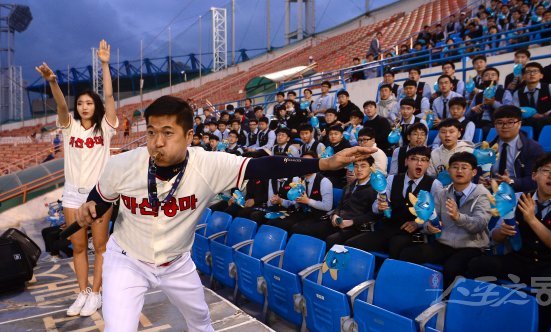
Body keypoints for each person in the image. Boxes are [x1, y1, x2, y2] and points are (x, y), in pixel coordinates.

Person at [74, 95, 377, 332]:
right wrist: (91, 209)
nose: (158, 142)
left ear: (189, 134)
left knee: (201, 322)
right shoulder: (123, 164)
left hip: (176, 262)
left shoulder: (209, 164)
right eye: (152, 132)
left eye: (168, 132)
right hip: (127, 260)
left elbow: (263, 165)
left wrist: (322, 165)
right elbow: (99, 198)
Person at [35, 40, 118, 317]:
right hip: (72, 194)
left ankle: (97, 293)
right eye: (80, 103)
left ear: (95, 107)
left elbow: (108, 98)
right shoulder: (69, 128)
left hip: (100, 195)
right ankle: (82, 293)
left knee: (101, 246)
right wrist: (53, 83)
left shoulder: (106, 127)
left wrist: (105, 64)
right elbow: (60, 106)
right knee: (78, 247)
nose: (84, 107)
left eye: (89, 103)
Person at [467, 153, 551, 331]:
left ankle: (541, 327)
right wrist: (503, 232)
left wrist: (532, 220)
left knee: (550, 287)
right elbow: (494, 236)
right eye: (546, 170)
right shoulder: (516, 197)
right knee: (479, 264)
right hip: (521, 260)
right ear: (534, 176)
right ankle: (486, 318)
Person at [398, 152, 492, 288]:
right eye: (455, 167)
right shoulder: (442, 193)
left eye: (464, 167)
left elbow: (480, 225)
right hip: (444, 243)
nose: (459, 171)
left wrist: (458, 217)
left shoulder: (483, 195)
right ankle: (409, 291)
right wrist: (429, 227)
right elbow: (429, 219)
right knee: (408, 254)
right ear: (449, 171)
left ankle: (447, 304)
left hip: (471, 246)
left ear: (474, 172)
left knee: (452, 268)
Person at [345, 147, 441, 257]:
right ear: (406, 161)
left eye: (424, 160)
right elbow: (376, 206)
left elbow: (435, 215)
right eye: (414, 159)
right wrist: (380, 207)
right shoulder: (392, 179)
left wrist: (418, 224)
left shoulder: (434, 184)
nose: (419, 163)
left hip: (412, 233)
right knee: (351, 245)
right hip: (388, 227)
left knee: (396, 245)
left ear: (428, 164)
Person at [293, 157, 378, 248]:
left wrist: (352, 222)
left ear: (371, 168)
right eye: (356, 166)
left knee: (331, 240)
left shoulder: (375, 189)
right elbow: (340, 205)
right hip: (338, 222)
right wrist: (335, 214)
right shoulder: (349, 186)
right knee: (307, 231)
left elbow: (374, 214)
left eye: (363, 166)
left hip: (356, 226)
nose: (359, 169)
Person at [265, 151, 333, 232]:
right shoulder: (299, 180)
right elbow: (295, 203)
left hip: (318, 216)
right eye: (304, 162)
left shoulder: (324, 182)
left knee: (296, 228)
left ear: (316, 164)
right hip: (302, 214)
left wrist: (308, 201)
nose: (306, 165)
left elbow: (327, 207)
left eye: (310, 162)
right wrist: (281, 201)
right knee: (273, 222)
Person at [485, 105, 544, 193]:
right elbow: (477, 174)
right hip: (490, 191)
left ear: (519, 124)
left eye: (510, 122)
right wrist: (481, 180)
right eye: (500, 122)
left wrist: (511, 181)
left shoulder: (532, 148)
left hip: (519, 193)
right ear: (495, 125)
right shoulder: (487, 148)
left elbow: (535, 180)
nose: (505, 126)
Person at [513, 62, 551, 138]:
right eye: (528, 72)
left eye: (535, 71)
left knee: (541, 122)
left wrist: (545, 114)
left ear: (541, 75)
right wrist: (530, 115)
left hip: (548, 119)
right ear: (523, 76)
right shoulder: (517, 93)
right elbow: (516, 111)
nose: (532, 74)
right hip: (528, 120)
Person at [469, 67, 513, 135]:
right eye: (486, 75)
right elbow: (467, 114)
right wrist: (473, 110)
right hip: (479, 123)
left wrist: (493, 103)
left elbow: (509, 111)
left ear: (498, 79)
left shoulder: (505, 92)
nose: (490, 77)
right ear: (482, 80)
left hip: (497, 123)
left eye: (493, 75)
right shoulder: (478, 95)